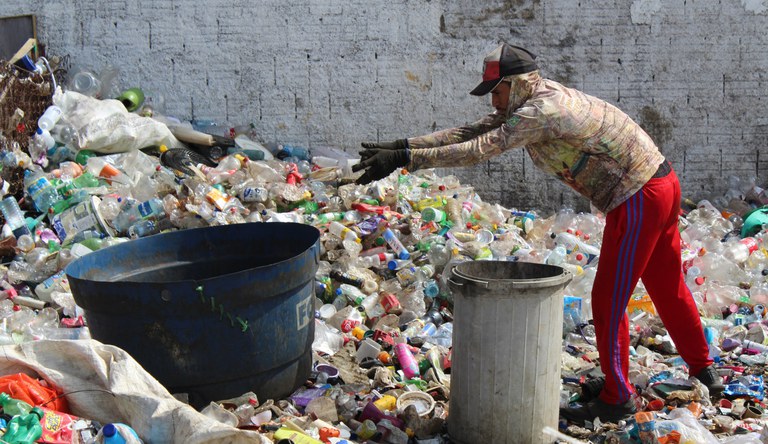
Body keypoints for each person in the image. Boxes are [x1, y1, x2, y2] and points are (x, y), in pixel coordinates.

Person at [352, 43, 724, 424]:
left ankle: (618, 397)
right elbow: (474, 130)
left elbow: (479, 149)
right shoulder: (535, 100)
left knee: (608, 300)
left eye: (498, 91)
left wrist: (407, 159)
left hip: (638, 196)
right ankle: (703, 368)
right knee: (666, 285)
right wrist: (403, 147)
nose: (495, 101)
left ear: (517, 84)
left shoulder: (542, 112)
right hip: (660, 183)